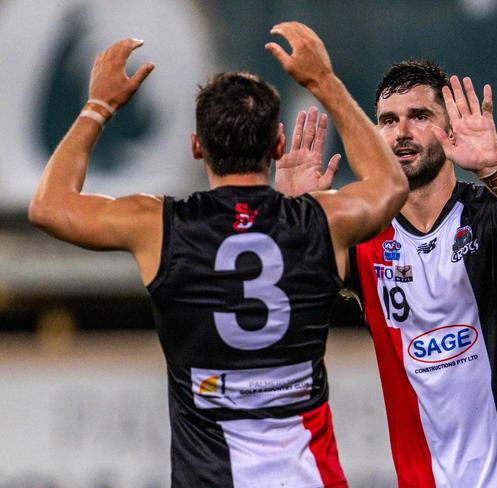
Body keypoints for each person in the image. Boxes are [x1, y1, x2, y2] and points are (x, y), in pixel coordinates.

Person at [29, 23, 408, 488]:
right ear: (276, 147)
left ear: (196, 147)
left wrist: (98, 106)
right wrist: (322, 82)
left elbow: (49, 206)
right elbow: (390, 184)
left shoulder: (159, 226)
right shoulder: (320, 221)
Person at [276, 59, 497, 487]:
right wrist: (293, 222)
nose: (401, 133)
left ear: (449, 130)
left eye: (419, 117)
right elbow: (289, 297)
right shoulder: (365, 233)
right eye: (388, 121)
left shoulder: (492, 213)